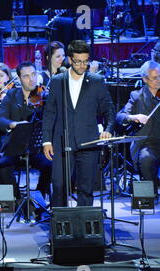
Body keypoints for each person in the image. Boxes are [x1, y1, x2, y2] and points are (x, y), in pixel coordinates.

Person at [42, 40, 115, 207]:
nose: (82, 65)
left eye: (85, 61)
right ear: (70, 59)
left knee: (86, 188)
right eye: (78, 61)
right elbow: (49, 113)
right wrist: (46, 140)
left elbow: (109, 110)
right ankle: (60, 228)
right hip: (62, 141)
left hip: (89, 142)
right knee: (59, 185)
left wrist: (109, 129)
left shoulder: (97, 81)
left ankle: (84, 228)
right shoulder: (57, 81)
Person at [0, 61, 52, 202]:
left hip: (37, 147)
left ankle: (39, 198)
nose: (31, 79)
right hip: (15, 147)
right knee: (2, 166)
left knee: (51, 165)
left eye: (33, 74)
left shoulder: (43, 96)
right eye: (26, 76)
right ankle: (18, 201)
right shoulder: (11, 95)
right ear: (19, 79)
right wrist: (13, 124)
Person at [116, 60, 160, 199]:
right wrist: (133, 116)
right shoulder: (137, 96)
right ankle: (151, 194)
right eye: (155, 78)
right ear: (145, 79)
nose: (159, 80)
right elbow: (120, 116)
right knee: (146, 159)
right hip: (148, 143)